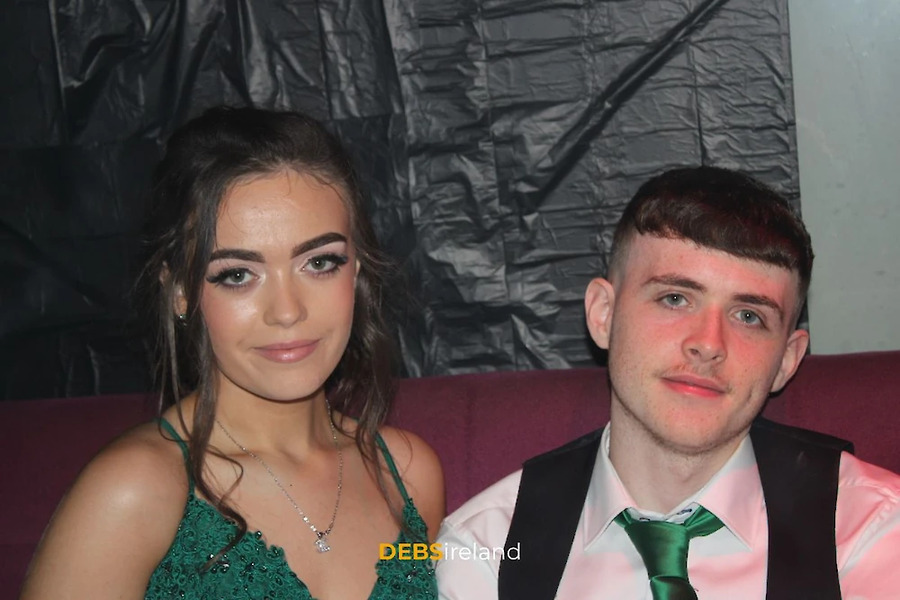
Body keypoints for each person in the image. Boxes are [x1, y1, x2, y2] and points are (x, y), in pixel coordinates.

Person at [20, 106, 445, 600]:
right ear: (181, 292)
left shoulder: (408, 474)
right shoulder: (132, 490)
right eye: (238, 274)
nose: (287, 311)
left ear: (356, 272)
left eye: (319, 262)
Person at [435, 167, 900, 599]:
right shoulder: (484, 549)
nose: (708, 344)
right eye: (675, 298)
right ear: (603, 315)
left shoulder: (872, 527)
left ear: (787, 360)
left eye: (748, 316)